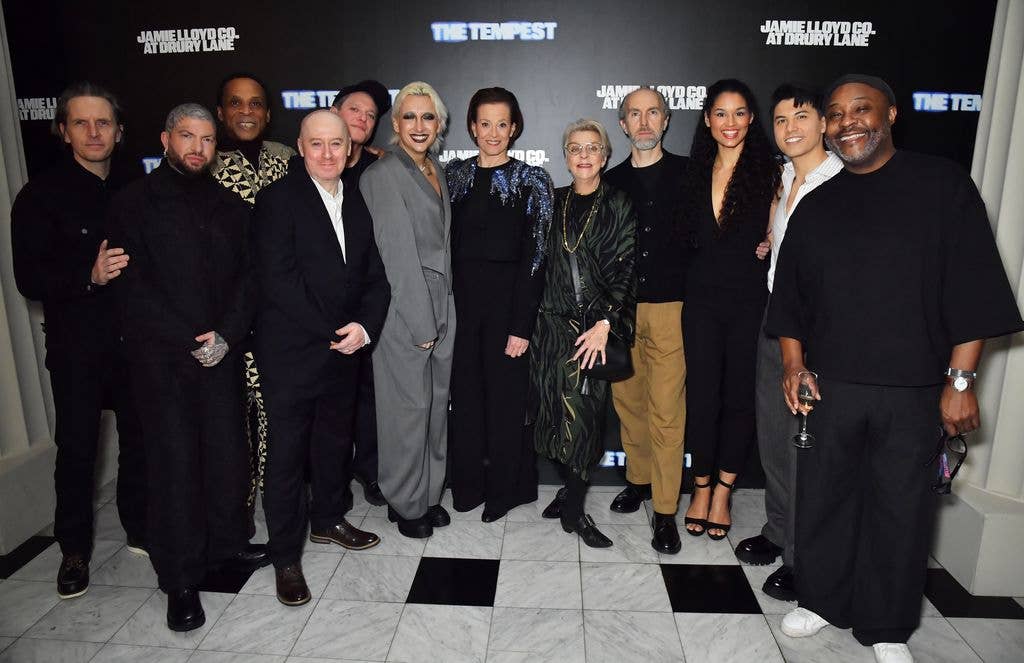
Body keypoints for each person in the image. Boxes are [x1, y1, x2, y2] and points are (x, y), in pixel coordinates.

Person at [768, 74, 1024, 663]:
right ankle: (824, 599)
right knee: (826, 500)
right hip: (830, 386)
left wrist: (960, 382)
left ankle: (886, 624)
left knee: (899, 506)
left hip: (914, 388)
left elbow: (973, 291)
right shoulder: (817, 204)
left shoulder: (942, 187)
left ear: (891, 115)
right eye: (836, 114)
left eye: (862, 109)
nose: (848, 122)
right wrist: (792, 364)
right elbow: (790, 302)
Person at [107, 103, 266, 632]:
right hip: (162, 363)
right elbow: (131, 286)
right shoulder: (132, 203)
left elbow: (249, 280)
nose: (197, 148)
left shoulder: (231, 207)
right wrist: (188, 338)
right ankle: (178, 579)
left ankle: (225, 548)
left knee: (226, 458)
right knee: (173, 470)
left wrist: (226, 335)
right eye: (186, 137)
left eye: (205, 139)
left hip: (221, 355)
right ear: (166, 139)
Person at [10, 81, 146, 599]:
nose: (94, 132)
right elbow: (28, 278)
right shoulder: (39, 196)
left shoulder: (135, 187)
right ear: (63, 131)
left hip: (136, 343)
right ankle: (73, 550)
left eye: (104, 122)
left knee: (141, 439)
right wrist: (87, 275)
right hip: (78, 347)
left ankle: (141, 528)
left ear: (118, 131)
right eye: (82, 123)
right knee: (78, 449)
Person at [255, 110, 389, 605]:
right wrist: (335, 331)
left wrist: (365, 327)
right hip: (293, 355)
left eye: (338, 144)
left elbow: (375, 274)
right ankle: (285, 556)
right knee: (287, 458)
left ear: (349, 149)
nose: (329, 154)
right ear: (301, 147)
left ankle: (329, 520)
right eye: (318, 145)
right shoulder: (276, 201)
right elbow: (279, 282)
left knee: (333, 443)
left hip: (345, 350)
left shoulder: (355, 198)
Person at [734, 84, 843, 601]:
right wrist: (769, 245)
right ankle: (778, 531)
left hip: (820, 330)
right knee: (774, 432)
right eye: (780, 120)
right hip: (773, 315)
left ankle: (804, 557)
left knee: (806, 441)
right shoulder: (782, 176)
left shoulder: (842, 180)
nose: (790, 128)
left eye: (801, 116)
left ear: (824, 122)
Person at [445, 87, 553, 521]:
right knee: (465, 400)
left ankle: (507, 491)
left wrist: (521, 325)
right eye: (484, 123)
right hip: (460, 309)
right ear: (472, 127)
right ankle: (468, 485)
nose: (493, 133)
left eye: (501, 124)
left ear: (514, 128)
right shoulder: (452, 176)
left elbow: (537, 257)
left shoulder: (533, 181)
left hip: (509, 310)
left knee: (507, 404)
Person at [681, 79, 780, 541]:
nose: (730, 123)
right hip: (699, 302)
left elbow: (787, 232)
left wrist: (770, 241)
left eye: (740, 113)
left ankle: (723, 491)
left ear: (752, 119)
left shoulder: (771, 174)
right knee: (702, 397)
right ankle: (699, 487)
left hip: (748, 301)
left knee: (739, 398)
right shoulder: (692, 172)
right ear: (706, 119)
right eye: (721, 113)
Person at [533, 118, 637, 548]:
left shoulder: (618, 203)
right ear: (565, 156)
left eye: (593, 147)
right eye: (575, 148)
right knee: (552, 420)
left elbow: (627, 267)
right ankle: (567, 491)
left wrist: (605, 323)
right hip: (547, 329)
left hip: (590, 332)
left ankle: (575, 511)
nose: (584, 155)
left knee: (583, 423)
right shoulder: (550, 202)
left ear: (606, 155)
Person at [360, 81, 454, 538]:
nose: (419, 126)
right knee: (405, 412)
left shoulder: (435, 167)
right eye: (410, 117)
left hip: (443, 303)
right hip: (405, 308)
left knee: (435, 407)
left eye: (428, 117)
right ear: (395, 124)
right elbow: (396, 254)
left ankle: (428, 494)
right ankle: (403, 502)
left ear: (439, 124)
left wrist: (444, 313)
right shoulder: (382, 176)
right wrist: (421, 322)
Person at [604, 86, 688, 554]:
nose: (643, 122)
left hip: (673, 309)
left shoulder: (691, 176)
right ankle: (637, 480)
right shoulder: (611, 181)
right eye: (634, 114)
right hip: (621, 310)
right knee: (629, 405)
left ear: (666, 119)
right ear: (622, 124)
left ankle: (665, 509)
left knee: (667, 411)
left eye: (652, 112)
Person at [212, 73, 296, 529]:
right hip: (225, 318)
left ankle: (277, 514)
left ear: (267, 112)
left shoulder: (287, 159)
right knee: (229, 428)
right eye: (236, 103)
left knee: (277, 422)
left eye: (256, 103)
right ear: (222, 112)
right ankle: (233, 520)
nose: (247, 111)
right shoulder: (204, 163)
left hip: (281, 319)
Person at [329, 79, 392, 508]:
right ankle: (328, 482)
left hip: (368, 301)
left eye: (370, 116)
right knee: (327, 402)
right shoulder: (311, 162)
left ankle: (369, 470)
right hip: (320, 305)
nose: (363, 120)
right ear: (335, 108)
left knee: (370, 395)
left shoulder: (378, 168)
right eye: (355, 110)